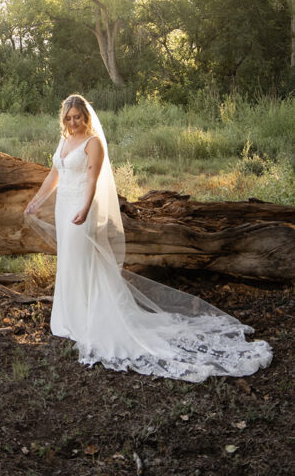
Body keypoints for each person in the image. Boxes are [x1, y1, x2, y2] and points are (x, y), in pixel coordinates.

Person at [25, 93, 272, 382]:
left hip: (81, 208)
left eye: (77, 117)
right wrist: (36, 200)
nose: (73, 122)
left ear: (86, 117)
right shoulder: (65, 140)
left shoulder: (93, 143)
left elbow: (92, 180)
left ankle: (89, 318)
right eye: (68, 118)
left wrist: (83, 208)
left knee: (83, 261)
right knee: (69, 260)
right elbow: (54, 175)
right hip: (63, 206)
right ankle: (68, 318)